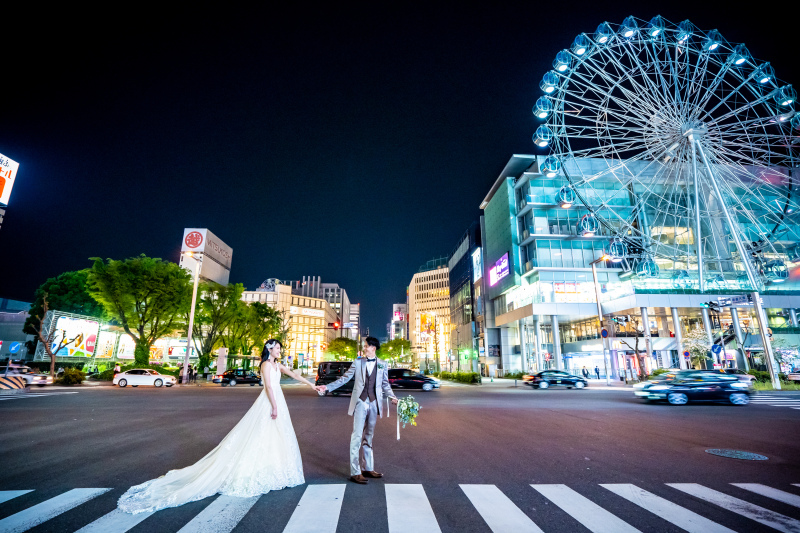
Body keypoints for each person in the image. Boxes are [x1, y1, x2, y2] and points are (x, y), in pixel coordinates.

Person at [118, 339, 323, 514]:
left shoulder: (278, 365)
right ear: (269, 349)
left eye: (279, 348)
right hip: (270, 401)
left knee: (277, 436)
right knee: (259, 434)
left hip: (277, 401)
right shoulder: (266, 366)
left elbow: (295, 375)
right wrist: (275, 406)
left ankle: (275, 469)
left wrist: (312, 385)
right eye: (277, 348)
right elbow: (269, 386)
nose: (279, 351)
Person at [319, 337, 398, 485]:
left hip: (374, 403)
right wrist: (327, 387)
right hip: (360, 402)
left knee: (369, 436)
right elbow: (344, 378)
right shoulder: (358, 362)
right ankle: (355, 472)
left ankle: (368, 468)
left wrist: (393, 397)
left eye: (366, 346)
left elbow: (385, 384)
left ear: (373, 348)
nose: (364, 348)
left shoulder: (382, 364)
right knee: (356, 436)